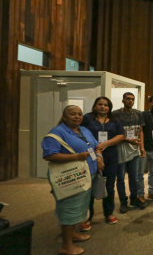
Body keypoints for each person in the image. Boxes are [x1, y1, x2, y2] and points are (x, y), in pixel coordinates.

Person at [42, 105, 104, 255]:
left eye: (79, 114)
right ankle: (66, 245)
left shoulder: (84, 130)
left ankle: (74, 234)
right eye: (72, 114)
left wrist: (99, 158)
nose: (77, 116)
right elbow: (49, 155)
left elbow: (95, 146)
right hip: (70, 177)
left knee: (80, 207)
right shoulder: (57, 133)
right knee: (69, 209)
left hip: (88, 174)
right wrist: (75, 157)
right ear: (64, 117)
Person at [81, 97, 124, 228]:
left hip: (111, 155)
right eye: (100, 104)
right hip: (91, 154)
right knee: (89, 186)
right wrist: (96, 147)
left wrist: (106, 143)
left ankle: (108, 213)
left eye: (106, 105)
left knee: (109, 185)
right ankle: (88, 216)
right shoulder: (87, 118)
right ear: (95, 106)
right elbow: (80, 134)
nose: (103, 107)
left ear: (109, 107)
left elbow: (121, 135)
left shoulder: (115, 119)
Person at [113, 92, 146, 212]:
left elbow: (141, 131)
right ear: (123, 100)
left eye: (132, 99)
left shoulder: (138, 113)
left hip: (135, 150)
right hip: (120, 149)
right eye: (128, 99)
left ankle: (134, 199)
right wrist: (128, 140)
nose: (130, 101)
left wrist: (142, 147)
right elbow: (114, 133)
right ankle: (123, 201)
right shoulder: (115, 114)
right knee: (120, 178)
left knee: (134, 177)